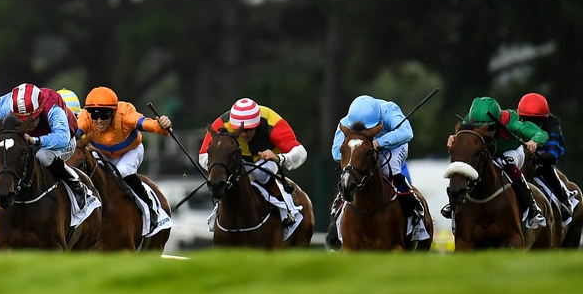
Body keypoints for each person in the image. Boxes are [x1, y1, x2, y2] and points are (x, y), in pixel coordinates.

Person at [0, 83, 88, 209]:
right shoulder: (8, 103)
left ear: (40, 109)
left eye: (31, 119)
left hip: (64, 141)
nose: (27, 124)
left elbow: (62, 138)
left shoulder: (52, 107)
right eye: (21, 120)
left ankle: (74, 183)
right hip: (30, 141)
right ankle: (3, 187)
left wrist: (35, 140)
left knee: (43, 155)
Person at [198, 98, 307, 226]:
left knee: (261, 174)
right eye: (240, 131)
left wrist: (279, 158)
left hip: (266, 159)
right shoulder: (222, 124)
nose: (244, 135)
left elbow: (300, 152)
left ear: (258, 124)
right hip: (237, 161)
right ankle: (218, 213)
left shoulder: (271, 121)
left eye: (249, 130)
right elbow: (203, 155)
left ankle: (286, 210)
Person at [77, 86, 172, 230]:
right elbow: (73, 133)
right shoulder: (85, 116)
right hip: (103, 153)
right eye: (94, 115)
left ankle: (150, 207)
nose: (99, 120)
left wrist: (162, 126)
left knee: (122, 171)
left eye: (104, 114)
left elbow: (147, 124)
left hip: (131, 151)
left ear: (113, 112)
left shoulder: (125, 113)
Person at [445, 96, 548, 229]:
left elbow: (541, 133)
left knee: (506, 164)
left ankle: (532, 207)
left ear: (499, 121)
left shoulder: (511, 122)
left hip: (510, 150)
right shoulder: (469, 120)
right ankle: (454, 208)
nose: (485, 133)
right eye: (480, 128)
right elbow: (462, 137)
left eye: (490, 128)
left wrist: (534, 141)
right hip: (485, 152)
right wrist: (454, 139)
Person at [329, 95, 425, 229]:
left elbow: (407, 133)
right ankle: (342, 197)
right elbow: (336, 153)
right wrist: (359, 154)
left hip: (394, 145)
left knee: (388, 169)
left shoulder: (389, 110)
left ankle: (413, 204)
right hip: (363, 151)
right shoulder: (345, 122)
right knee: (352, 170)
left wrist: (380, 142)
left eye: (369, 128)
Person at [517, 92, 572, 221]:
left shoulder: (552, 124)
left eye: (536, 122)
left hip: (541, 158)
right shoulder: (514, 119)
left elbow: (553, 154)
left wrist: (536, 157)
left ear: (544, 119)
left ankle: (564, 199)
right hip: (519, 157)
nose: (531, 125)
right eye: (526, 120)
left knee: (545, 169)